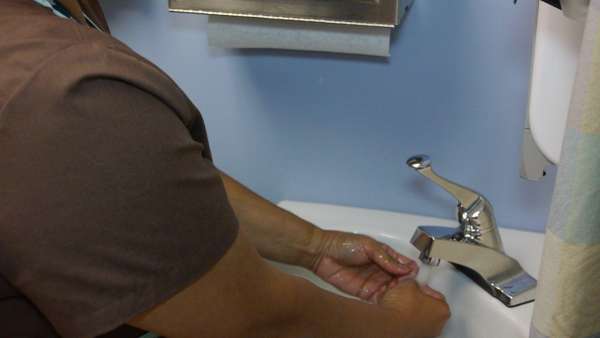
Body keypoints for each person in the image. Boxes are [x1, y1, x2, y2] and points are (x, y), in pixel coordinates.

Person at [0, 1, 450, 337]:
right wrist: (400, 328)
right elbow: (257, 320)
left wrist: (315, 246)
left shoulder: (43, 28)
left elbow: (129, 186)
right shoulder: (58, 87)